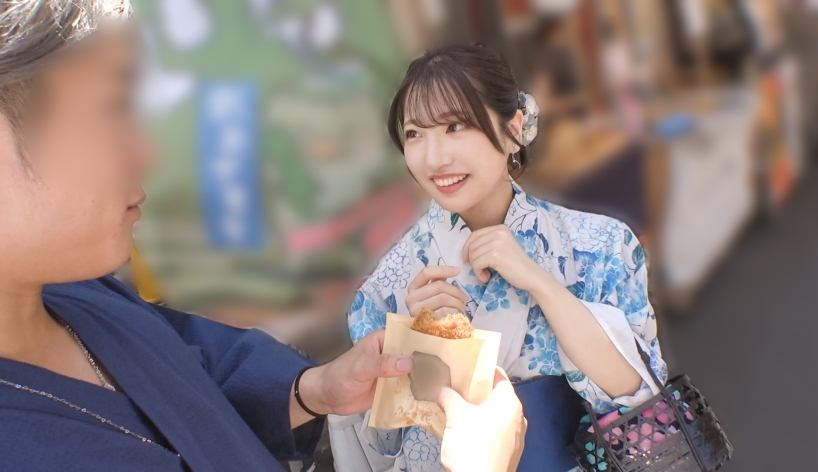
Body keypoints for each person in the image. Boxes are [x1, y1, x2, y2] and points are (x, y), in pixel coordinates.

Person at [0, 2, 524, 471]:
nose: (148, 154)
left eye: (457, 127)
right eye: (113, 111)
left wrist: (312, 389)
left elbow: (195, 370)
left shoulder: (80, 297)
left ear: (514, 129)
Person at [347, 44, 668, 471]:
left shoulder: (601, 245)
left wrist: (541, 283)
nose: (435, 157)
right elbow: (387, 437)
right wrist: (417, 340)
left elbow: (638, 396)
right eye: (415, 134)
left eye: (456, 126)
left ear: (513, 130)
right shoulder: (389, 285)